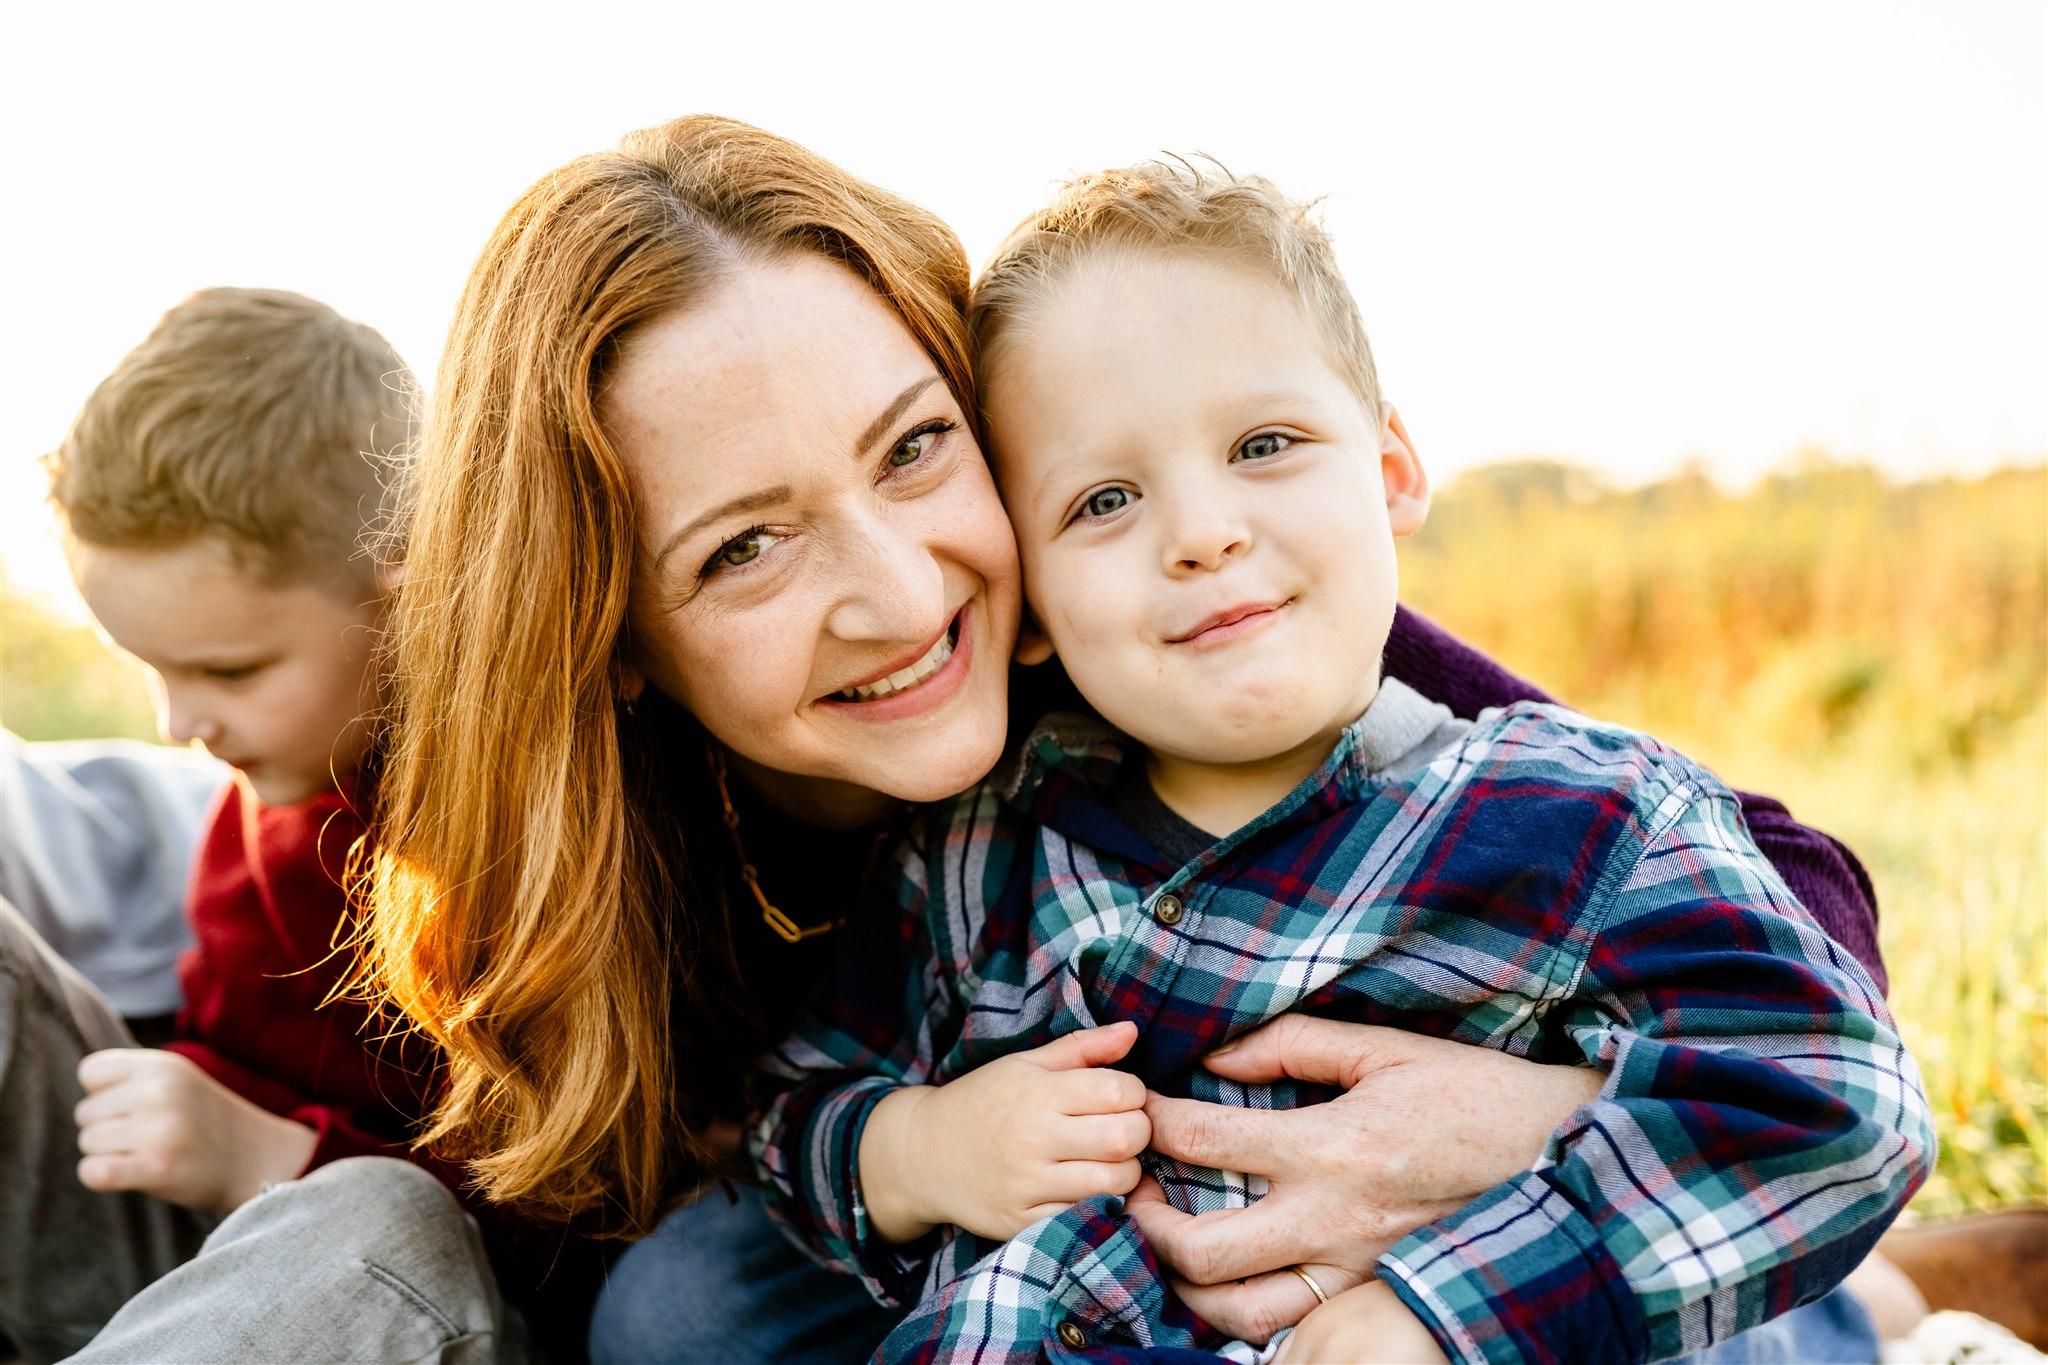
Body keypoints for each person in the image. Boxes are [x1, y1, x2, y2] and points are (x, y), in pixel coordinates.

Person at [55, 116, 1925, 1363]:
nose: (896, 589)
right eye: (745, 547)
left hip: (1398, 1236)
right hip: (975, 1226)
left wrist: (1534, 1125)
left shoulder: (1143, 616)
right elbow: (585, 1215)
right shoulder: (587, 840)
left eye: (912, 449)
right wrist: (901, 1159)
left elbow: (1758, 883)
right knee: (679, 1305)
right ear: (611, 636)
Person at [747, 161, 1936, 1364]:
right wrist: (916, 1150)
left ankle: (1869, 1318)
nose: (1203, 531)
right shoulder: (977, 853)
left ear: (1389, 473)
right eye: (1103, 500)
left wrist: (1438, 1314)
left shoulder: (1575, 822)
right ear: (1030, 601)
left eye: (1264, 443)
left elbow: (1835, 1101)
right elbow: (795, 1107)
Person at [0, 288, 587, 1362]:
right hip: (187, 1253)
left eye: (229, 670)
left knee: (376, 1216)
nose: (179, 723)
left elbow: (578, 1212)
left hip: (415, 1287)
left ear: (410, 600)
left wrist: (267, 1157)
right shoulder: (269, 786)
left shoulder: (523, 831)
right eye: (154, 671)